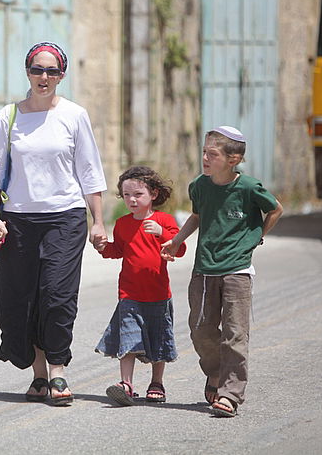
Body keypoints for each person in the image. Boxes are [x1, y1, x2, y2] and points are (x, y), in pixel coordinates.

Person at [0, 42, 107, 406]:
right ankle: (38, 376)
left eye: (52, 71)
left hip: (65, 217)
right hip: (17, 219)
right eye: (38, 70)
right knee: (19, 301)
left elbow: (89, 170)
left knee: (56, 296)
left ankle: (57, 371)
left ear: (62, 76)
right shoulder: (7, 116)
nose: (44, 77)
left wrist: (98, 221)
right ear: (27, 71)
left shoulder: (74, 115)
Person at [161, 126, 283, 418]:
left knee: (235, 334)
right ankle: (215, 373)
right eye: (204, 152)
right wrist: (177, 239)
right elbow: (198, 215)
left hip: (237, 270)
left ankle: (230, 394)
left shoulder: (249, 187)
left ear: (233, 159)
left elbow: (275, 209)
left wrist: (256, 237)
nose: (205, 157)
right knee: (200, 329)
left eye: (212, 154)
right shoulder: (200, 186)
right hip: (204, 268)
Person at [93, 166, 186, 406]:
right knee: (129, 339)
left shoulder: (164, 220)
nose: (132, 200)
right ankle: (126, 384)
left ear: (153, 194)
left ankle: (157, 382)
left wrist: (162, 233)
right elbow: (118, 251)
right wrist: (102, 246)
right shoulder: (123, 224)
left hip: (158, 295)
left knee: (158, 339)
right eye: (126, 195)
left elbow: (180, 248)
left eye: (138, 195)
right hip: (129, 294)